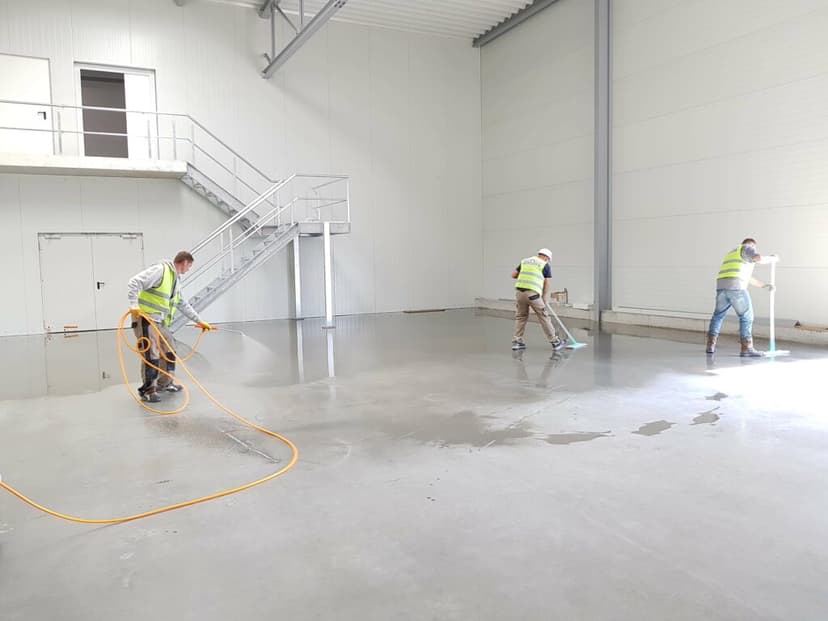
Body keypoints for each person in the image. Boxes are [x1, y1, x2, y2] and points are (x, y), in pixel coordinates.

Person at [127, 250, 212, 402]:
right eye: (189, 266)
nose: (188, 269)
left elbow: (181, 303)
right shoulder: (161, 270)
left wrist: (199, 321)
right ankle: (148, 390)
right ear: (185, 262)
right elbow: (134, 282)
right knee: (151, 353)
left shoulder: (175, 280)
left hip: (160, 322)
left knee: (169, 349)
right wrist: (134, 305)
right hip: (146, 318)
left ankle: (164, 383)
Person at [706, 238, 777, 357]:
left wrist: (765, 285)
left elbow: (747, 278)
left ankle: (710, 345)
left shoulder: (732, 254)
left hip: (722, 287)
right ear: (751, 245)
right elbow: (758, 258)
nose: (754, 250)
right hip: (736, 288)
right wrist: (772, 258)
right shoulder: (746, 248)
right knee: (746, 317)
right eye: (754, 247)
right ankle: (747, 348)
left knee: (718, 316)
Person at [511, 248, 564, 351]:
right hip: (533, 294)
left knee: (521, 317)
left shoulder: (525, 261)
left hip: (519, 293)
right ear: (546, 257)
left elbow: (513, 275)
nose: (548, 261)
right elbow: (547, 283)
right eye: (548, 259)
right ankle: (555, 341)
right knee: (544, 316)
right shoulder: (544, 264)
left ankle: (517, 342)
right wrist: (545, 297)